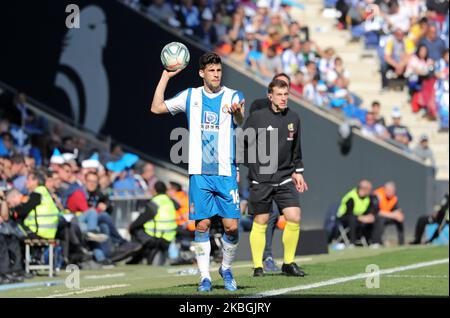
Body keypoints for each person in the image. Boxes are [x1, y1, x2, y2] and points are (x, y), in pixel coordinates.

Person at [150, 52, 245, 292]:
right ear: (202, 73)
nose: (216, 74)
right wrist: (165, 76)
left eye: (219, 70)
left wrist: (237, 113)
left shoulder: (233, 96)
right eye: (212, 71)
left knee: (232, 227)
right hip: (199, 174)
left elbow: (241, 119)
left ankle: (225, 268)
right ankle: (205, 277)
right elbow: (156, 108)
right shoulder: (190, 96)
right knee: (201, 225)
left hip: (225, 172)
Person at [245, 79, 308, 277]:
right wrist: (252, 167)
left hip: (285, 176)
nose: (283, 98)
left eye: (286, 94)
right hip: (262, 177)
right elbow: (243, 144)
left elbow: (296, 149)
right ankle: (258, 266)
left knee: (294, 216)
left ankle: (288, 263)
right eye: (279, 95)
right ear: (270, 96)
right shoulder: (257, 118)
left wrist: (298, 172)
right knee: (261, 219)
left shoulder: (294, 118)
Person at [128, 181, 177, 266]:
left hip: (156, 236)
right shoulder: (170, 201)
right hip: (169, 236)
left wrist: (131, 226)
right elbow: (178, 206)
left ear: (155, 190)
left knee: (135, 228)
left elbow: (142, 218)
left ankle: (136, 253)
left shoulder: (155, 202)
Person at [337, 180, 381, 246]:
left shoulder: (368, 197)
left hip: (360, 217)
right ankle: (352, 243)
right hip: (344, 217)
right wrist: (361, 218)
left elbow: (370, 209)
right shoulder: (351, 197)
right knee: (353, 219)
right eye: (369, 189)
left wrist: (370, 215)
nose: (371, 191)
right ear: (363, 189)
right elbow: (348, 212)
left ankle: (375, 243)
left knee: (375, 218)